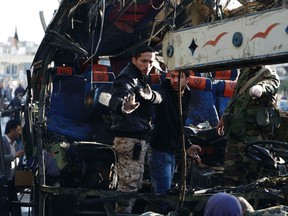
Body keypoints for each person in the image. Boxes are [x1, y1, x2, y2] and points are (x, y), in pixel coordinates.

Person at [109, 44, 162, 213]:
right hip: (129, 140)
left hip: (137, 139)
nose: (148, 65)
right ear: (134, 60)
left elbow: (160, 99)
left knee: (133, 185)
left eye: (150, 62)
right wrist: (124, 107)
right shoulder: (127, 78)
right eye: (143, 61)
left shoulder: (140, 77)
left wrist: (151, 96)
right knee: (128, 187)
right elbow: (117, 98)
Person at [147, 70, 201, 214]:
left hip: (172, 150)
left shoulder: (187, 94)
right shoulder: (165, 92)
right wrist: (151, 96)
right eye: (173, 77)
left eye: (180, 77)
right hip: (160, 149)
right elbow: (158, 98)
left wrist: (188, 145)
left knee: (167, 195)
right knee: (162, 197)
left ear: (188, 79)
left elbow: (179, 125)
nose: (175, 80)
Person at [216, 66, 280, 186]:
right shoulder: (245, 72)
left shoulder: (268, 73)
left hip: (254, 133)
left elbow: (272, 84)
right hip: (237, 129)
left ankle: (250, 202)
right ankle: (231, 196)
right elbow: (236, 97)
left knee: (252, 171)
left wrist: (260, 88)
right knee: (231, 170)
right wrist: (224, 117)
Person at [2, 119, 25, 216]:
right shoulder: (2, 141)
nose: (20, 133)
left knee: (15, 206)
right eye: (18, 130)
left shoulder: (15, 144)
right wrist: (15, 155)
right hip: (4, 180)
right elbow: (2, 158)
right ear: (12, 130)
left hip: (12, 180)